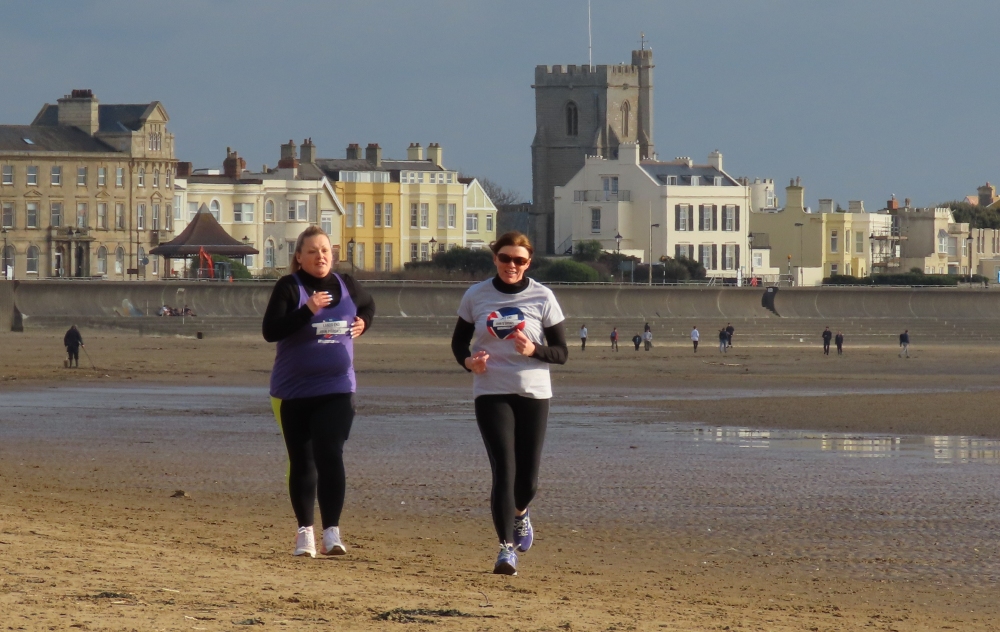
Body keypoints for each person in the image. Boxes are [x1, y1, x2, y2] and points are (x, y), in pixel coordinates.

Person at [451, 231, 567, 576]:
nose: (511, 265)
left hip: (533, 390)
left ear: (529, 262)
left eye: (519, 260)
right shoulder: (476, 295)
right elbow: (459, 344)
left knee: (527, 481)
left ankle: (521, 513)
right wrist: (471, 363)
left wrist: (534, 350)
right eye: (505, 258)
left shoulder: (543, 296)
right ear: (495, 259)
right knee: (504, 468)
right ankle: (505, 549)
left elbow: (561, 352)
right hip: (490, 390)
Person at [262, 225, 375, 559]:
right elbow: (271, 331)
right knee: (303, 461)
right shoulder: (289, 287)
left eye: (325, 250)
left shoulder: (347, 285)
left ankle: (332, 532)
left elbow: (368, 306)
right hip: (293, 391)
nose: (320, 256)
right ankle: (305, 533)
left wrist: (364, 323)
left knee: (330, 452)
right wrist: (306, 311)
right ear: (299, 257)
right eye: (312, 251)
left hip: (337, 386)